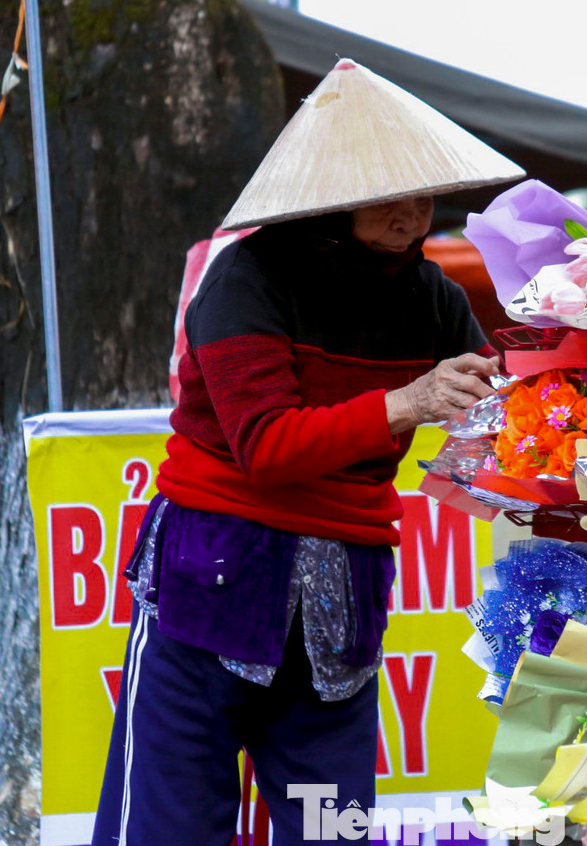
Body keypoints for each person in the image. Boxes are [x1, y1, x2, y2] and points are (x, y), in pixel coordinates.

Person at [92, 59, 523, 845]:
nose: (412, 211)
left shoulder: (436, 298)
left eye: (424, 192)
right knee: (169, 829)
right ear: (332, 195)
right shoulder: (248, 277)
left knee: (334, 831)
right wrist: (410, 401)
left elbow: (499, 412)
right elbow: (266, 446)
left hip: (343, 609)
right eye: (389, 194)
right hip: (212, 584)